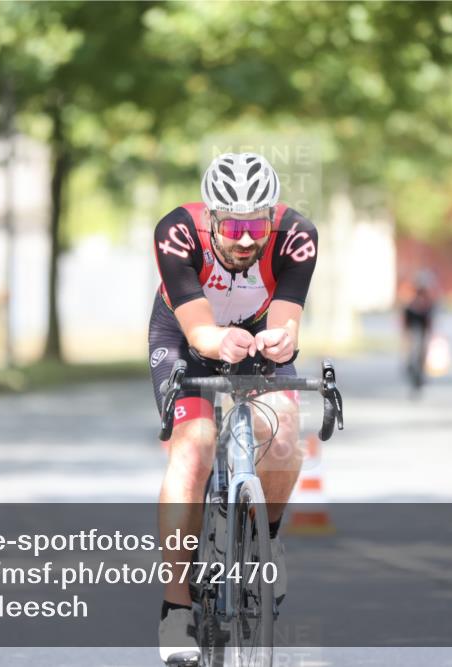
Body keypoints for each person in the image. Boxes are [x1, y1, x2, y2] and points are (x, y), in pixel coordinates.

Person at [149, 152, 318, 665]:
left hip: (257, 337)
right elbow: (200, 330)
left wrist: (278, 344)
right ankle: (176, 609)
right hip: (185, 336)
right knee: (194, 452)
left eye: (256, 223)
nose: (247, 239)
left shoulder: (296, 236)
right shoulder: (177, 232)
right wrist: (218, 342)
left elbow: (288, 327)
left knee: (285, 434)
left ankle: (266, 539)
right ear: (212, 219)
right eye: (234, 225)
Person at [401, 269, 437, 394]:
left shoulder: (428, 302)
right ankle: (411, 370)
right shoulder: (411, 300)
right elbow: (405, 318)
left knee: (422, 351)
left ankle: (419, 375)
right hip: (413, 330)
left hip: (422, 331)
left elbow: (430, 319)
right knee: (412, 351)